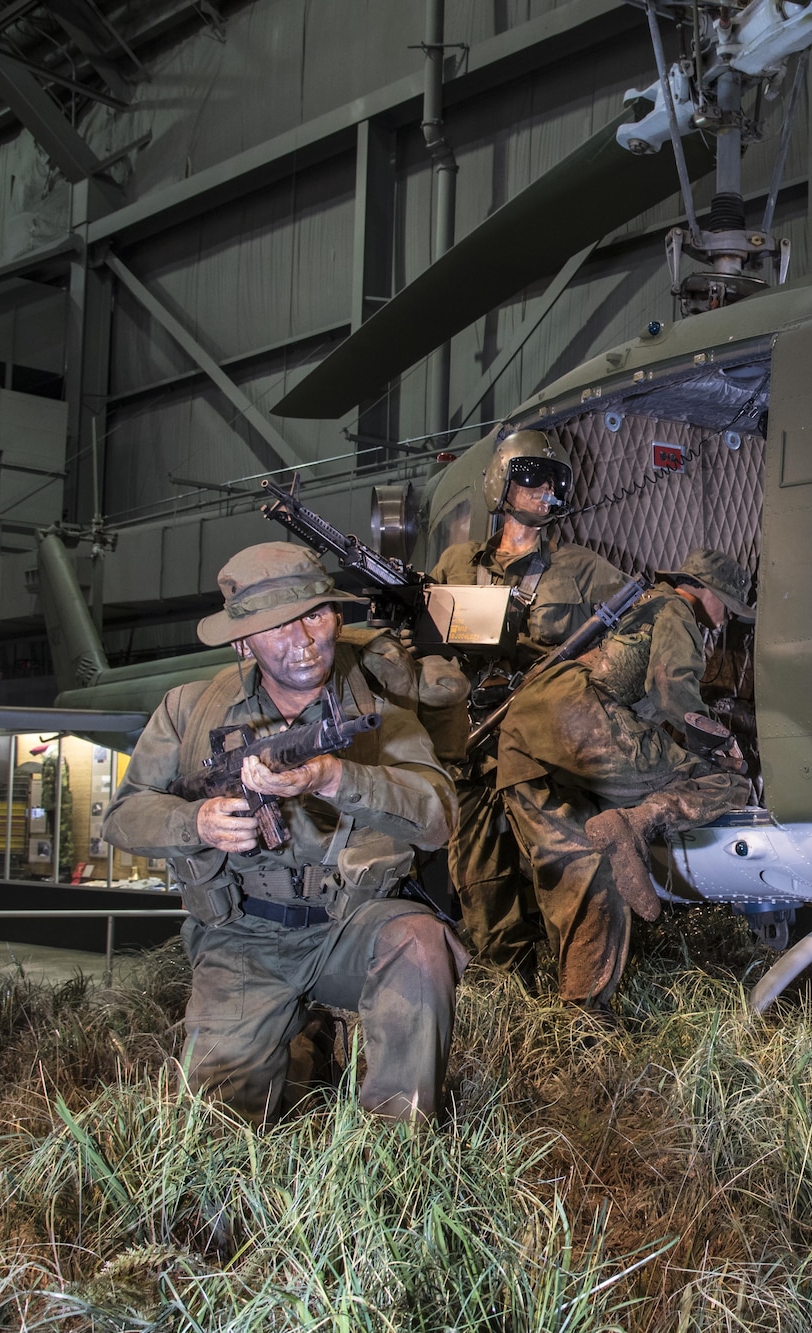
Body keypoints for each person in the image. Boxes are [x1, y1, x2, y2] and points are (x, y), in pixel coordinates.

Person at [105, 542, 461, 1123]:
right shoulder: (188, 711)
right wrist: (195, 821)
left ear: (337, 619)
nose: (302, 639)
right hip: (242, 938)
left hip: (350, 925)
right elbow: (123, 815)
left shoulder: (382, 716)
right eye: (276, 626)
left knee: (421, 943)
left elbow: (439, 816)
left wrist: (334, 777)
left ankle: (399, 1162)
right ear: (243, 642)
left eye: (315, 615)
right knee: (219, 1128)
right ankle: (300, 1052)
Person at [493, 548, 755, 1006]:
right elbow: (675, 689)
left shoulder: (633, 606)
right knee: (729, 784)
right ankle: (636, 824)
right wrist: (723, 747)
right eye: (726, 606)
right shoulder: (675, 609)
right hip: (584, 721)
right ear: (702, 589)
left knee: (583, 874)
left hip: (522, 739)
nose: (722, 619)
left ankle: (581, 1018)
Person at [414, 430, 627, 972]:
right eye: (531, 476)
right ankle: (511, 988)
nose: (544, 489)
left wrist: (593, 670)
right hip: (470, 741)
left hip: (540, 745)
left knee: (565, 867)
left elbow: (644, 624)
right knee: (478, 877)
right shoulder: (457, 565)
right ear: (500, 482)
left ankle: (581, 998)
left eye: (554, 479)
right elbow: (422, 642)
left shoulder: (583, 567)